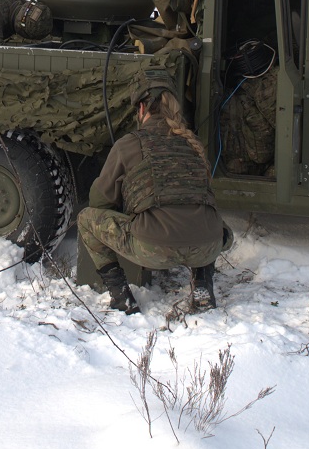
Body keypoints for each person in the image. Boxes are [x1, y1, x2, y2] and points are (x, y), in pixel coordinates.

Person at [76, 83, 229, 314]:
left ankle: (120, 295)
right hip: (207, 247)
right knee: (216, 225)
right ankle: (202, 285)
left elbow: (99, 201)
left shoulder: (129, 143)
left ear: (141, 108)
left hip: (155, 248)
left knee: (87, 219)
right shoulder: (193, 143)